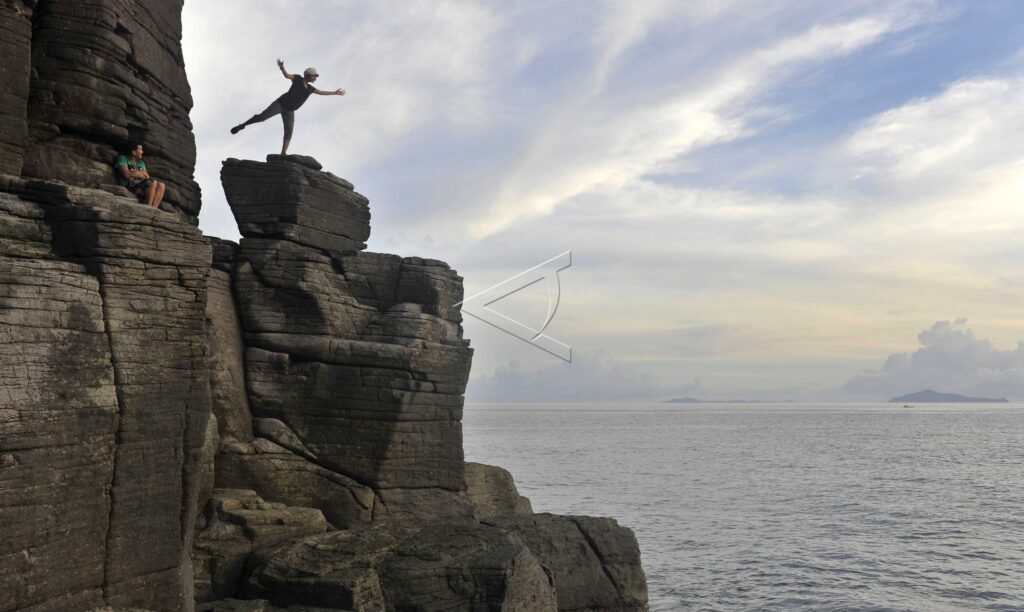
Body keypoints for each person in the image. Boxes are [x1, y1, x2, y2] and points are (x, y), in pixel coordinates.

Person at [231, 58, 346, 154]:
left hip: (290, 110)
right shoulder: (297, 79)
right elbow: (287, 76)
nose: (316, 78)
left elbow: (321, 92)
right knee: (262, 118)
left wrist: (334, 93)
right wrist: (282, 68)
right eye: (315, 76)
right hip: (281, 104)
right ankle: (243, 125)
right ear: (309, 75)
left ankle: (283, 153)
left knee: (289, 131)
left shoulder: (310, 89)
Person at [114, 142, 166, 208]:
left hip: (141, 186)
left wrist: (139, 174)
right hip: (130, 186)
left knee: (162, 185)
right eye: (140, 149)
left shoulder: (140, 162)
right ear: (134, 152)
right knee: (153, 182)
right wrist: (142, 174)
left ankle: (154, 208)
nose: (142, 152)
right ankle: (148, 207)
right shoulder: (123, 158)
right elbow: (127, 175)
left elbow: (147, 176)